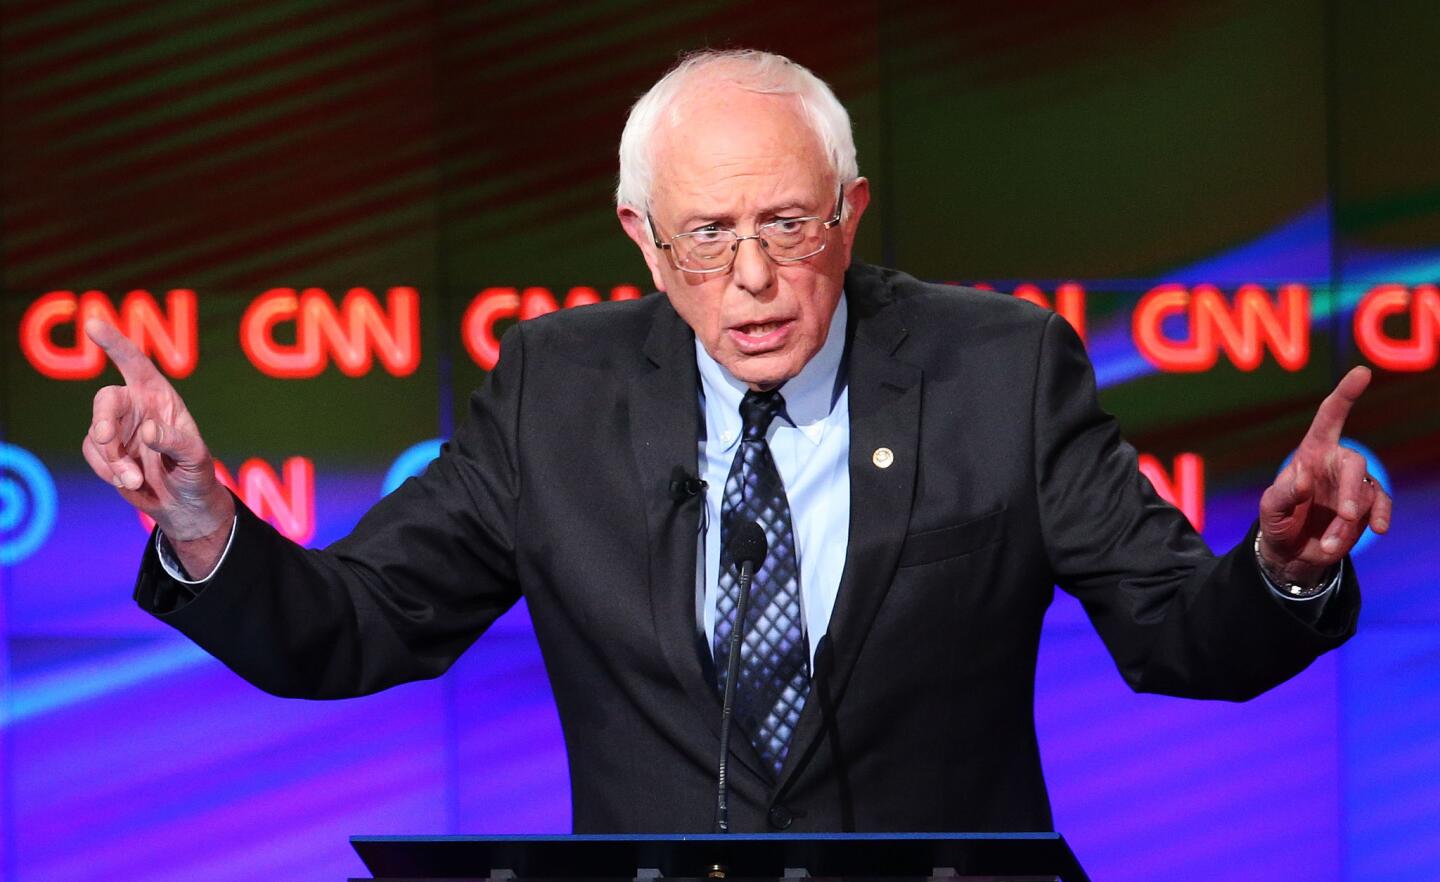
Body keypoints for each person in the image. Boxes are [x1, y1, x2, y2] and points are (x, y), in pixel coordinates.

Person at [83, 50, 1390, 833]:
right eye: (708, 234)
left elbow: (1179, 634)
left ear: (854, 211)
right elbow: (355, 625)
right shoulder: (556, 388)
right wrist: (199, 515)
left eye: (789, 224)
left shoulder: (997, 370)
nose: (755, 277)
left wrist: (1283, 567)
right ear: (641, 238)